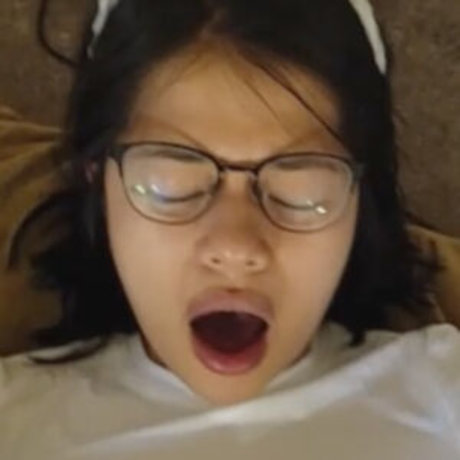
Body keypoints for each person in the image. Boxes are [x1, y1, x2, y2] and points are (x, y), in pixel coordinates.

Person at [0, 0, 459, 458]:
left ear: (360, 200)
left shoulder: (439, 393)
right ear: (98, 181)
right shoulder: (17, 421)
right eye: (173, 184)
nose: (236, 247)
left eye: (298, 189)